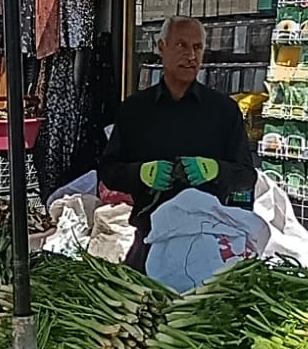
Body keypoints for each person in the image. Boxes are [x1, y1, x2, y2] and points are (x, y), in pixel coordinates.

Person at [97, 16, 257, 267]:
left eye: (197, 47)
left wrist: (216, 170)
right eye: (181, 45)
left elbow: (247, 176)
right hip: (149, 240)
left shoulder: (224, 111)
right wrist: (141, 173)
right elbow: (108, 171)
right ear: (162, 47)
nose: (191, 55)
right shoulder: (135, 110)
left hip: (208, 243)